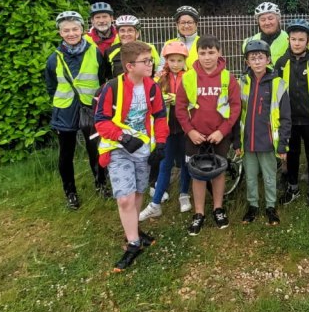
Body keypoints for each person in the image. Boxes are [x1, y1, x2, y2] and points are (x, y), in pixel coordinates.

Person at [94, 41, 169, 272]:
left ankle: (134, 231)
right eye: (145, 61)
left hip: (143, 149)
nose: (151, 64)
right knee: (124, 199)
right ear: (129, 66)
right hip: (119, 149)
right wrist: (123, 138)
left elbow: (160, 116)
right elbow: (101, 121)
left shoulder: (152, 88)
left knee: (137, 193)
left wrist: (161, 144)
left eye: (151, 60)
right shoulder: (112, 88)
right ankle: (133, 243)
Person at [175, 35, 242, 235]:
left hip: (219, 134)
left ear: (219, 53)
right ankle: (199, 213)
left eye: (211, 52)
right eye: (202, 53)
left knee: (218, 171)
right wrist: (190, 131)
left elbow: (235, 107)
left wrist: (223, 131)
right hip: (195, 135)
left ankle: (218, 208)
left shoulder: (228, 78)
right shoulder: (188, 77)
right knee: (198, 173)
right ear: (197, 54)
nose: (207, 57)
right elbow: (180, 108)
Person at [45, 10, 108, 209]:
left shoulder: (95, 52)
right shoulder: (53, 59)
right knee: (66, 154)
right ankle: (70, 192)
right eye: (66, 30)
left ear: (82, 30)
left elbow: (102, 78)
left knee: (96, 150)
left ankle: (101, 184)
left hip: (90, 109)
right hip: (65, 111)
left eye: (74, 29)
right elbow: (51, 87)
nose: (71, 33)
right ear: (60, 33)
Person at [273, 20, 309, 207]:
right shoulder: (281, 63)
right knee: (292, 154)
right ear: (288, 40)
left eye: (301, 40)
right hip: (289, 120)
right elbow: (276, 93)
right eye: (293, 39)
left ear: (308, 41)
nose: (297, 43)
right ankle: (293, 187)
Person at [237, 39, 291, 226]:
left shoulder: (278, 84)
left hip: (267, 141)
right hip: (247, 141)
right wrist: (236, 141)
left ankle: (270, 206)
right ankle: (252, 206)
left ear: (268, 60)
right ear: (247, 62)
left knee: (269, 176)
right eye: (253, 58)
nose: (257, 61)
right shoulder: (241, 83)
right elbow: (236, 113)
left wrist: (283, 143)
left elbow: (285, 117)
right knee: (250, 176)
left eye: (261, 57)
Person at [139, 40, 194, 220]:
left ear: (185, 61)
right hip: (167, 130)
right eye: (172, 60)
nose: (175, 64)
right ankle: (155, 203)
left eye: (179, 60)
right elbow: (150, 101)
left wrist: (179, 100)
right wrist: (162, 100)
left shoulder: (191, 77)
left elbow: (196, 102)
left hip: (186, 129)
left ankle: (184, 194)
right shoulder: (159, 78)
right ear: (166, 61)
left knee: (185, 163)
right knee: (165, 164)